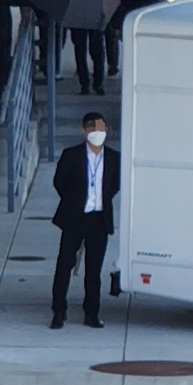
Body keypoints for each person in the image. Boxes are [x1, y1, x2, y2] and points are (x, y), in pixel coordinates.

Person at [51, 112, 120, 330]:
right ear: (84, 131)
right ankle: (59, 312)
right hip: (74, 218)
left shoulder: (113, 157)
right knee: (64, 266)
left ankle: (92, 313)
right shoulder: (71, 155)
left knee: (94, 271)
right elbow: (60, 182)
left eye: (100, 129)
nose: (97, 133)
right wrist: (74, 201)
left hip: (99, 220)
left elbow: (114, 186)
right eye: (92, 129)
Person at [71, 28, 106, 96]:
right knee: (97, 52)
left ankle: (85, 85)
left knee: (80, 51)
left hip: (79, 21)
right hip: (95, 21)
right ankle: (97, 84)